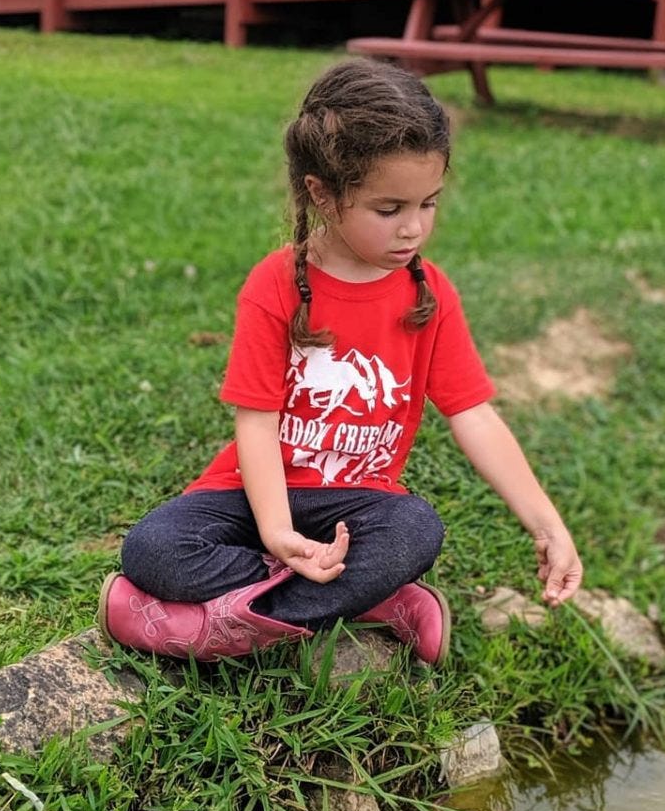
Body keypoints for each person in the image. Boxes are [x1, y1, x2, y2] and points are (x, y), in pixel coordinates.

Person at [98, 59, 582, 667]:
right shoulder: (274, 284)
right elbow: (256, 422)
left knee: (416, 529)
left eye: (428, 203)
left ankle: (222, 628)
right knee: (153, 549)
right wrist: (277, 534)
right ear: (322, 194)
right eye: (389, 209)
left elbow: (474, 414)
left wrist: (547, 525)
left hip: (354, 508)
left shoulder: (430, 293)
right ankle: (371, 601)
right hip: (256, 496)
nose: (414, 228)